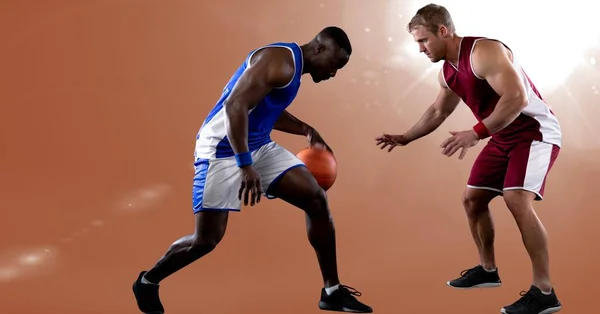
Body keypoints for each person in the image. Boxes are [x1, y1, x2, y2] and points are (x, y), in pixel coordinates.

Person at [132, 26, 373, 314]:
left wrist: (306, 129)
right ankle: (148, 281)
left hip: (257, 143)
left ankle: (332, 291)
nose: (333, 74)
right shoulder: (279, 61)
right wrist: (245, 166)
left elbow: (265, 107)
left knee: (315, 198)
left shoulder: (291, 68)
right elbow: (236, 106)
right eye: (335, 65)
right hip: (221, 150)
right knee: (206, 240)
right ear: (320, 48)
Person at [375, 4, 562, 314]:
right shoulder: (447, 72)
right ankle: (488, 270)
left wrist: (475, 132)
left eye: (423, 41)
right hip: (501, 136)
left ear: (443, 31)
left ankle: (544, 292)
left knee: (516, 199)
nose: (420, 49)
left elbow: (517, 98)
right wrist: (406, 137)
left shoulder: (484, 51)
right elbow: (438, 111)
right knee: (472, 199)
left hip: (534, 132)